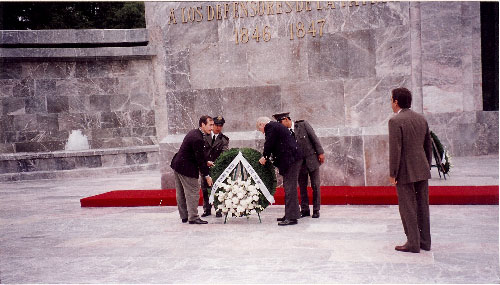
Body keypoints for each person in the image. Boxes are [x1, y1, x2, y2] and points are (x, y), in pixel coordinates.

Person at [388, 88, 432, 253]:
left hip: (405, 171)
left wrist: (393, 173)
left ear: (396, 101)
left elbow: (395, 150)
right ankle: (425, 242)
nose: (391, 103)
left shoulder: (395, 121)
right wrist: (426, 166)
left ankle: (413, 242)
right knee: (422, 206)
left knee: (407, 207)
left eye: (391, 100)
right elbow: (428, 147)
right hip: (422, 168)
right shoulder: (421, 119)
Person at [273, 112, 325, 218]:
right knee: (302, 187)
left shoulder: (303, 125)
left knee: (315, 185)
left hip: (312, 160)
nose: (279, 125)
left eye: (280, 122)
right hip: (298, 163)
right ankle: (305, 209)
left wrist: (320, 152)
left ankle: (316, 209)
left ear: (287, 119)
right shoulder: (285, 132)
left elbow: (314, 138)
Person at [256, 116, 303, 226]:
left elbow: (269, 143)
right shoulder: (275, 126)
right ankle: (290, 214)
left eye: (260, 130)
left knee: (290, 188)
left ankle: (291, 218)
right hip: (292, 159)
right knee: (289, 188)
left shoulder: (270, 126)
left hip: (291, 160)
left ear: (262, 125)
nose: (262, 133)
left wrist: (265, 156)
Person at [170, 115, 214, 225]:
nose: (212, 128)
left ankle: (184, 216)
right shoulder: (198, 138)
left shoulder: (194, 132)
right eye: (210, 125)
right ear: (202, 125)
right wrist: (207, 176)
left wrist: (206, 161)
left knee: (181, 193)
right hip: (186, 168)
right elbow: (199, 159)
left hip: (178, 164)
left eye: (213, 125)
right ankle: (193, 217)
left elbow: (196, 153)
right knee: (193, 192)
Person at [200, 116, 229, 218]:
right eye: (216, 125)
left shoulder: (224, 140)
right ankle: (207, 209)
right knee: (204, 188)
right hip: (205, 166)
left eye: (220, 125)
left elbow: (224, 153)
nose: (218, 127)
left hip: (217, 167)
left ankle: (218, 209)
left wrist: (216, 164)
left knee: (218, 188)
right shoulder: (204, 136)